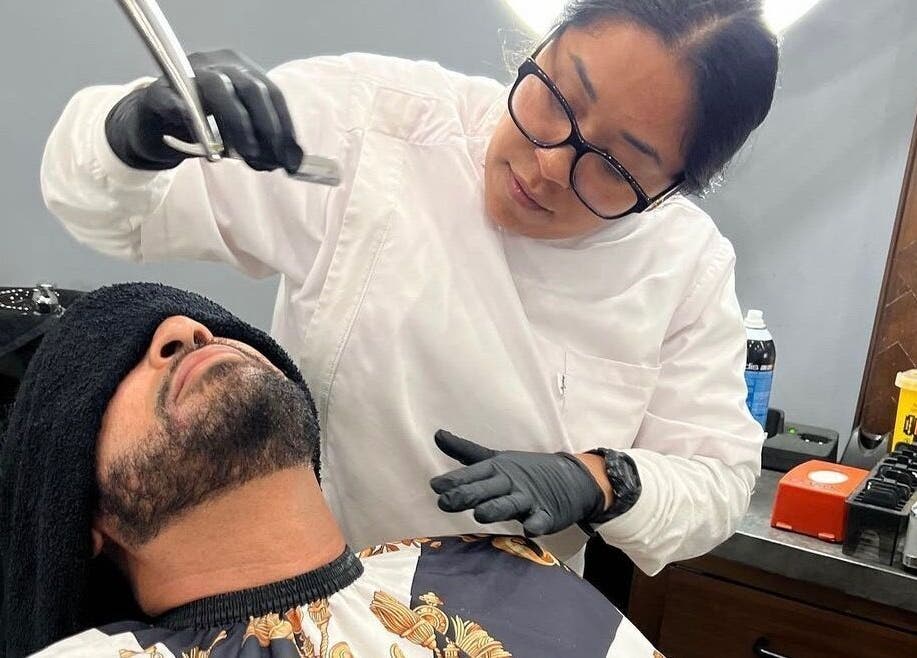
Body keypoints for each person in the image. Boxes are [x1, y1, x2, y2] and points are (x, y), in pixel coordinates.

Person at [40, 0, 780, 573]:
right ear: (540, 48)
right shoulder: (381, 127)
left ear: (671, 189)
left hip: (498, 625)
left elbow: (714, 483)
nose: (549, 165)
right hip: (305, 586)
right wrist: (133, 132)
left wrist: (597, 479)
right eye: (557, 97)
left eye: (615, 166)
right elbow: (111, 214)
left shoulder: (684, 266)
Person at [0, 283, 661, 658]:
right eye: (111, 365)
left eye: (215, 325)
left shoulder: (513, 566)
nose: (186, 328)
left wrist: (609, 477)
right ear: (73, 510)